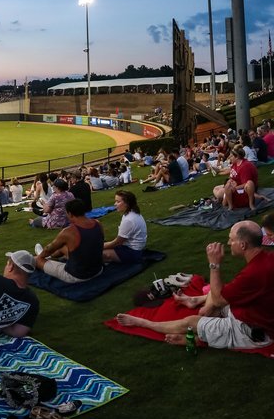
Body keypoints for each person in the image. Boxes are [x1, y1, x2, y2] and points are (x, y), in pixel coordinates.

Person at [116, 221, 273, 350]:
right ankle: (199, 311)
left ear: (243, 245)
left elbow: (219, 299)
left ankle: (143, 323)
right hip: (253, 312)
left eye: (231, 239)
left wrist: (214, 264)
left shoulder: (253, 273)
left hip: (253, 330)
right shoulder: (267, 259)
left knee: (192, 321)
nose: (228, 243)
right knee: (215, 295)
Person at [34, 199, 104, 283]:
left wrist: (40, 256)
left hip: (77, 275)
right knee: (62, 247)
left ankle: (42, 257)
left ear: (70, 213)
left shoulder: (68, 232)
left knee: (36, 260)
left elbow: (49, 248)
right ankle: (48, 257)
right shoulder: (97, 223)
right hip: (98, 270)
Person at [102, 190, 148, 265]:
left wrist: (101, 247)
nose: (115, 204)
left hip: (133, 252)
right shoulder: (131, 213)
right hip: (130, 247)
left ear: (127, 203)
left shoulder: (129, 219)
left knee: (95, 254)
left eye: (118, 201)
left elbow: (118, 242)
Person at [213, 146, 260, 210]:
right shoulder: (235, 164)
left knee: (219, 193)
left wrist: (233, 187)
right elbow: (231, 174)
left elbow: (247, 183)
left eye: (231, 156)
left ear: (237, 157)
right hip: (234, 184)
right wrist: (229, 181)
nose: (229, 157)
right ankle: (227, 199)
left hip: (241, 188)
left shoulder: (245, 166)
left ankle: (250, 204)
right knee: (215, 188)